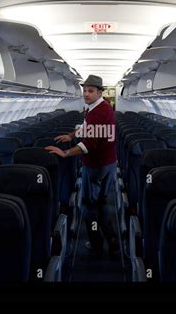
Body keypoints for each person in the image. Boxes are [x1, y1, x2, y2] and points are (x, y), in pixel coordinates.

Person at [45, 74, 117, 257]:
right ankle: (112, 241)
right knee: (102, 204)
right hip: (105, 163)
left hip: (96, 166)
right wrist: (71, 136)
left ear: (100, 92)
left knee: (88, 206)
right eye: (84, 90)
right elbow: (85, 127)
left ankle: (97, 244)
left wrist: (66, 152)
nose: (86, 94)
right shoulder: (95, 108)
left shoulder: (99, 112)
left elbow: (88, 145)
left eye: (90, 91)